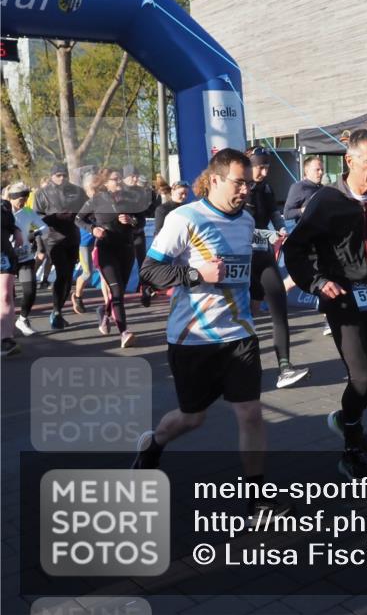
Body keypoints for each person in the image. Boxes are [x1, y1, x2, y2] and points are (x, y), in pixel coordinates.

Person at [134, 149, 286, 518]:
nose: (246, 190)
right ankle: (153, 444)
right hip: (192, 338)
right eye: (239, 182)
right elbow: (150, 272)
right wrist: (197, 275)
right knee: (193, 418)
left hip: (239, 334)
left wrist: (263, 282)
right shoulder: (184, 218)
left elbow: (241, 272)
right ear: (215, 179)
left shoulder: (248, 220)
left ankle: (257, 499)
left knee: (250, 414)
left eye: (249, 183)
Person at [283, 129, 367, 478]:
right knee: (361, 377)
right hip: (340, 298)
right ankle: (351, 448)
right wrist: (318, 282)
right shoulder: (326, 201)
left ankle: (345, 417)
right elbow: (295, 249)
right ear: (349, 161)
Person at [245, 147, 309, 389]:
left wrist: (281, 227)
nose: (263, 171)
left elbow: (274, 212)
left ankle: (285, 368)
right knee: (245, 316)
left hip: (264, 257)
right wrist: (266, 234)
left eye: (267, 167)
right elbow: (238, 228)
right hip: (242, 261)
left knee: (279, 308)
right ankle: (241, 367)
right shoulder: (241, 190)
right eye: (259, 166)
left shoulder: (266, 188)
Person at [76, 168, 143, 347]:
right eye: (115, 179)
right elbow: (78, 219)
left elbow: (141, 221)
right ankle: (124, 332)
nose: (119, 182)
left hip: (127, 249)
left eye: (120, 179)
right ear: (106, 183)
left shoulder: (131, 199)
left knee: (118, 292)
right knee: (117, 291)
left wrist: (132, 221)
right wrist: (93, 229)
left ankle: (103, 312)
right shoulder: (97, 200)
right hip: (106, 250)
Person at [33, 164, 86, 329]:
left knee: (68, 278)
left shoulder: (77, 191)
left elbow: (87, 210)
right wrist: (55, 217)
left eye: (64, 175)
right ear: (51, 176)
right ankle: (56, 312)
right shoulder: (41, 193)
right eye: (58, 175)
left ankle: (58, 311)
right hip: (53, 239)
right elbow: (36, 217)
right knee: (62, 274)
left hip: (73, 237)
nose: (62, 178)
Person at [8, 183, 47, 336]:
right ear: (12, 198)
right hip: (6, 259)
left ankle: (22, 319)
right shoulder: (3, 212)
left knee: (30, 291)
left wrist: (33, 234)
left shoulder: (28, 212)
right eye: (20, 199)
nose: (23, 201)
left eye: (25, 198)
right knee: (7, 297)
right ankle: (6, 326)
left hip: (25, 257)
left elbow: (45, 228)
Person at [122, 165, 156, 307]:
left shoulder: (141, 192)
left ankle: (145, 290)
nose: (135, 179)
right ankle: (118, 294)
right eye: (132, 176)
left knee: (143, 262)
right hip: (122, 235)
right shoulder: (119, 191)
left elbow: (143, 213)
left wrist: (135, 222)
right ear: (125, 178)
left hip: (137, 232)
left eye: (136, 176)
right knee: (125, 264)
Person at [71, 173, 98, 314]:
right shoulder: (85, 204)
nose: (96, 192)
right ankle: (77, 296)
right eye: (93, 189)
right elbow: (77, 220)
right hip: (84, 243)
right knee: (87, 273)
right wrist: (91, 229)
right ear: (87, 190)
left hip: (98, 241)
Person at [1, 193, 21, 356]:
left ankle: (6, 340)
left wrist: (17, 231)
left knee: (6, 295)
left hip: (3, 254)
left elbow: (11, 225)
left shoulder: (4, 206)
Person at [283, 155, 324, 225]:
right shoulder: (298, 187)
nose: (321, 172)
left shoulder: (323, 188)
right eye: (317, 169)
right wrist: (303, 210)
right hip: (306, 232)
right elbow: (286, 214)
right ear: (307, 170)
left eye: (322, 170)